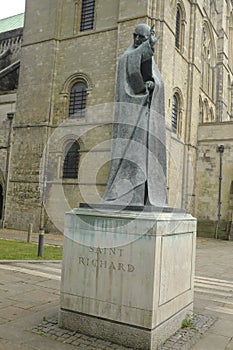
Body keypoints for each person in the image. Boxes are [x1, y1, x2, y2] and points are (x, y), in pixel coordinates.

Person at [102, 23, 167, 207]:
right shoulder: (127, 56)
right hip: (131, 116)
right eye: (135, 36)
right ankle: (126, 194)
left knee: (147, 155)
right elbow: (131, 71)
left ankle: (146, 196)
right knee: (132, 154)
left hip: (147, 116)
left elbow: (157, 82)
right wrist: (149, 47)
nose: (137, 40)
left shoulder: (150, 62)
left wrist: (152, 86)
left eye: (142, 38)